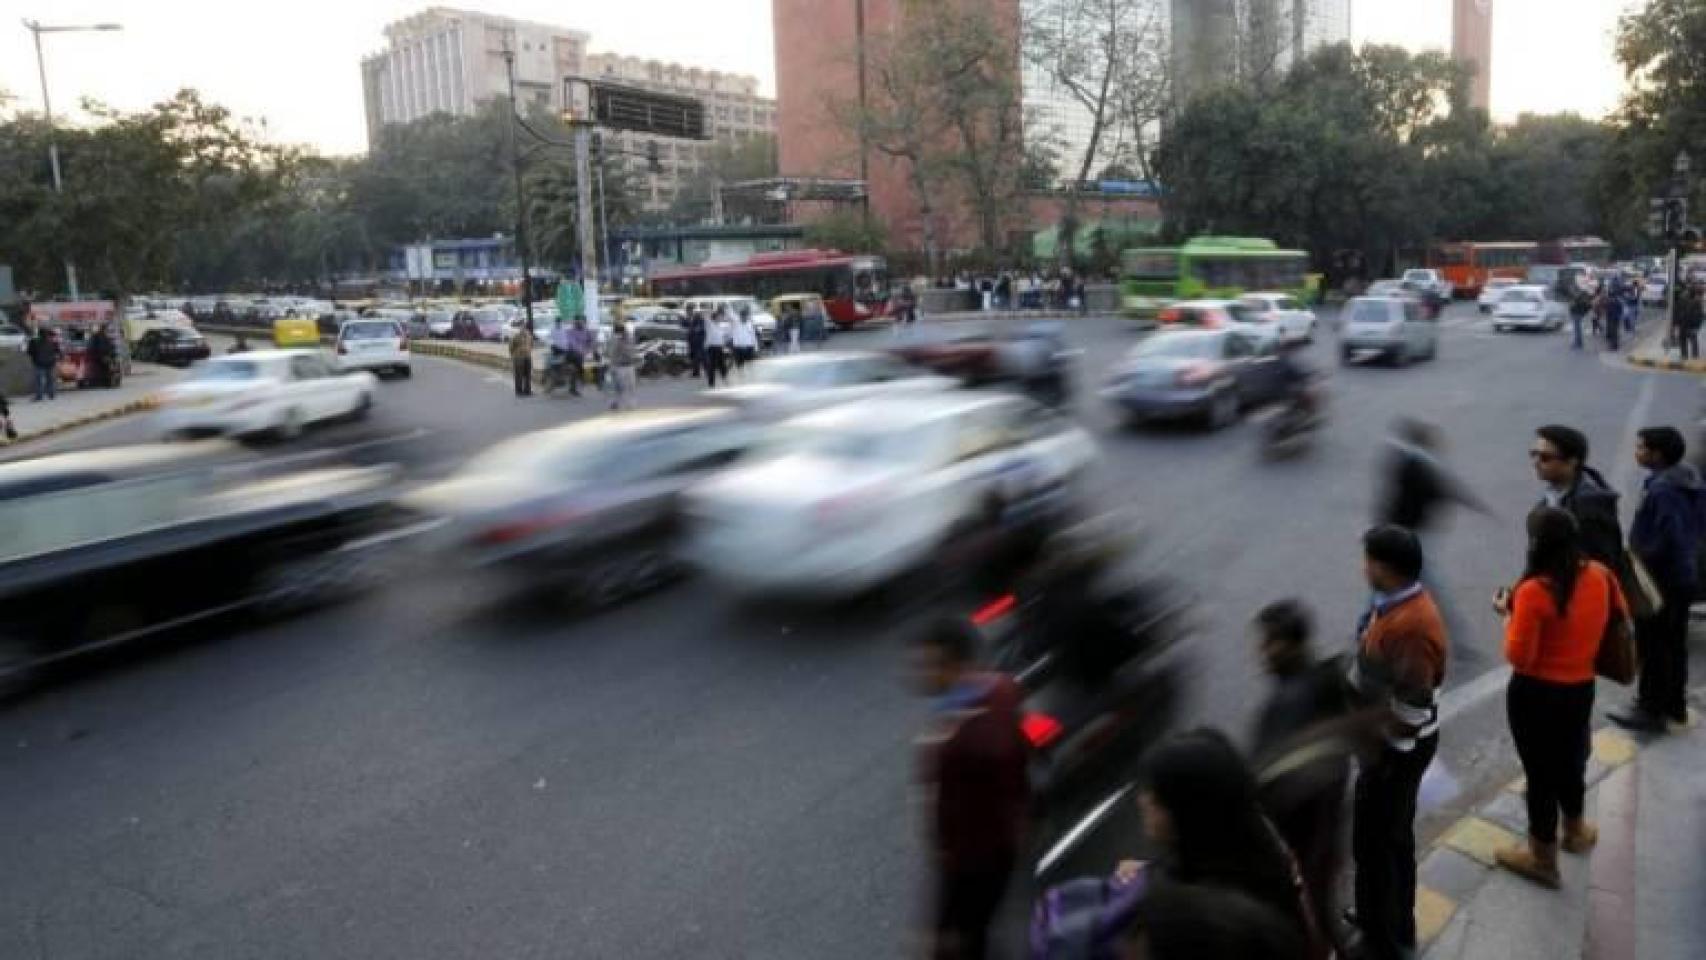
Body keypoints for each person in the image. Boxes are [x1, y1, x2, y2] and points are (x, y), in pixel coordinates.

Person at [1490, 507, 1625, 887]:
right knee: (1570, 760)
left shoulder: (1534, 591)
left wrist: (1507, 616)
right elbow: (1619, 615)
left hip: (1536, 696)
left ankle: (1542, 857)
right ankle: (1576, 829)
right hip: (1580, 688)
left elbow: (1520, 657)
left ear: (1535, 544)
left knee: (1540, 775)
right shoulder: (1600, 574)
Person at [1114, 728, 1323, 958]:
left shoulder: (1190, 922)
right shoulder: (1255, 851)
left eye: (1156, 795)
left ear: (1189, 811)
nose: (1144, 800)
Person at [1348, 525, 1448, 960]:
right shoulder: (1392, 604)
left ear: (1385, 569)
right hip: (1388, 747)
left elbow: (1413, 708)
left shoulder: (1411, 626)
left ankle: (1387, 940)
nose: (1363, 567)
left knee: (1381, 843)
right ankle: (1377, 917)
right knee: (1380, 840)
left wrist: (1384, 756)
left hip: (1395, 752)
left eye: (1368, 560)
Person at [912, 619, 1028, 960]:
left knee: (960, 940)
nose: (921, 673)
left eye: (930, 665)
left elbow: (951, 813)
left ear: (956, 666)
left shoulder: (960, 737)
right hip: (1000, 842)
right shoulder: (1002, 689)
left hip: (973, 856)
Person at [1248, 600, 1354, 956]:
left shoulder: (1285, 706)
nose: (1262, 651)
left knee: (1315, 914)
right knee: (1322, 905)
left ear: (1292, 645)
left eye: (1270, 642)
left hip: (1308, 833)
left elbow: (1268, 782)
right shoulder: (1327, 675)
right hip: (1325, 820)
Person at [1611, 426, 1703, 732]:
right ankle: (1674, 705)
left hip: (1662, 581)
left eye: (1641, 447)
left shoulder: (1664, 490)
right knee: (1673, 645)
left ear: (1656, 454)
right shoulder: (1686, 477)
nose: (1636, 452)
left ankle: (1650, 710)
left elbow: (1670, 537)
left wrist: (1638, 558)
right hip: (1682, 577)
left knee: (1653, 647)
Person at [1531, 425, 1627, 576]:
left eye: (1545, 457)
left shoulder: (1589, 507)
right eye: (1533, 454)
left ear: (1572, 462)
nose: (1536, 462)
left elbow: (1600, 566)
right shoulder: (1555, 495)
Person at [607, 321, 638, 411]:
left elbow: (631, 351)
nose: (620, 334)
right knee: (620, 386)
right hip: (619, 366)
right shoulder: (613, 339)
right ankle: (618, 403)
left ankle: (631, 403)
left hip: (628, 365)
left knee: (631, 385)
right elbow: (611, 353)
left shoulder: (629, 338)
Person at [562, 316, 592, 398]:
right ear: (575, 322)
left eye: (581, 322)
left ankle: (575, 387)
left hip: (580, 355)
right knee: (576, 370)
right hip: (571, 354)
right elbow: (572, 343)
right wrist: (581, 350)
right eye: (577, 322)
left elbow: (590, 342)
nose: (579, 323)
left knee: (576, 371)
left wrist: (587, 350)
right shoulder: (570, 331)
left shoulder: (586, 331)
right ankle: (574, 387)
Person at [27, 328, 59, 402]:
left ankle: (39, 396)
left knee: (39, 381)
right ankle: (51, 394)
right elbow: (57, 351)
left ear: (38, 334)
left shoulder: (34, 341)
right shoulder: (52, 341)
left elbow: (30, 352)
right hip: (50, 363)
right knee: (50, 379)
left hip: (39, 363)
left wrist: (34, 358)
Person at [706, 308, 732, 387]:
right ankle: (711, 383)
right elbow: (705, 316)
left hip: (720, 347)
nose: (720, 318)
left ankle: (725, 379)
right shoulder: (710, 324)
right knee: (711, 365)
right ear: (715, 317)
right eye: (718, 317)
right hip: (711, 347)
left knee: (722, 365)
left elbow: (726, 335)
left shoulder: (721, 326)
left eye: (721, 317)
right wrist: (713, 312)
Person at [508, 321, 534, 397]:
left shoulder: (529, 335)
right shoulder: (516, 336)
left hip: (527, 357)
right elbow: (511, 346)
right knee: (519, 375)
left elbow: (531, 345)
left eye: (524, 327)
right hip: (519, 358)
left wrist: (528, 352)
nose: (523, 328)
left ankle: (527, 390)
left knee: (528, 375)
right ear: (520, 328)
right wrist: (514, 355)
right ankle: (519, 391)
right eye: (522, 327)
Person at [730, 307, 759, 375]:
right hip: (738, 348)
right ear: (740, 316)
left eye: (746, 316)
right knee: (740, 366)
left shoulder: (750, 324)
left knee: (750, 366)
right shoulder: (735, 323)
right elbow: (730, 315)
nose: (745, 317)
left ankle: (751, 378)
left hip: (749, 347)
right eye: (743, 316)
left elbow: (753, 336)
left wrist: (756, 347)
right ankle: (742, 378)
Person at [1569, 286, 1593, 350]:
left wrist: (1573, 304)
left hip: (1577, 312)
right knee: (1577, 328)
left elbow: (1578, 303)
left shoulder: (1579, 295)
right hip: (1578, 312)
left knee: (1577, 329)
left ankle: (1578, 343)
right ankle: (1578, 342)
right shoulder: (1583, 294)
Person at [685, 309, 707, 378]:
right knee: (698, 358)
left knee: (697, 358)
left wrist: (693, 331)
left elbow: (699, 330)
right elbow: (691, 329)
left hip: (697, 342)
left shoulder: (700, 321)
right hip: (694, 342)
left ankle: (696, 373)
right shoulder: (693, 320)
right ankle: (697, 372)